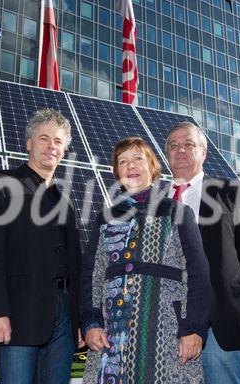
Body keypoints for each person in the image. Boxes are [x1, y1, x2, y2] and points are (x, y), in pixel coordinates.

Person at [80, 136, 210, 383]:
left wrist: (194, 328)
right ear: (116, 172)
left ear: (152, 167)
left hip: (167, 334)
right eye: (123, 162)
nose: (131, 166)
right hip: (112, 335)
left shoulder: (177, 212)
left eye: (138, 159)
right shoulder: (105, 219)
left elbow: (198, 274)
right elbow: (91, 275)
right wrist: (91, 322)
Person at [0, 108, 82, 384]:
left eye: (58, 141)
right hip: (19, 312)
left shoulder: (65, 202)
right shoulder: (2, 184)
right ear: (29, 143)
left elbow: (75, 264)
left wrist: (78, 320)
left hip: (64, 319)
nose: (51, 146)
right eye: (44, 138)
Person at [165, 122, 240, 384]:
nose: (180, 150)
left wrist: (226, 288)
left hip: (220, 317)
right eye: (173, 146)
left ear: (204, 152)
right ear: (167, 155)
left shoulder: (230, 191)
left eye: (188, 144)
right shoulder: (156, 201)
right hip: (166, 319)